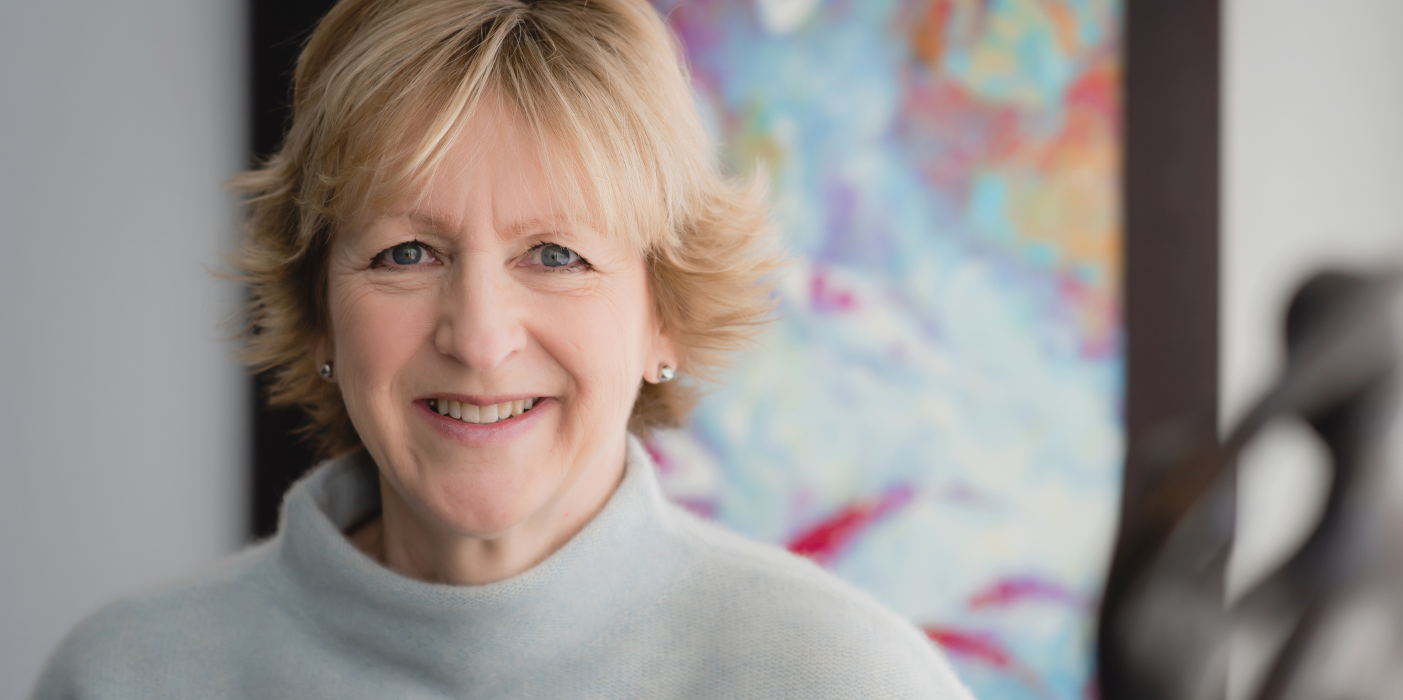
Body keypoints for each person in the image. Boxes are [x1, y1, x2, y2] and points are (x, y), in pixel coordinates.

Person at [30, 0, 974, 697]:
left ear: (664, 316)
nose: (479, 339)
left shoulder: (849, 680)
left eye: (556, 255)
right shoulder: (124, 678)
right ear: (319, 309)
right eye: (407, 253)